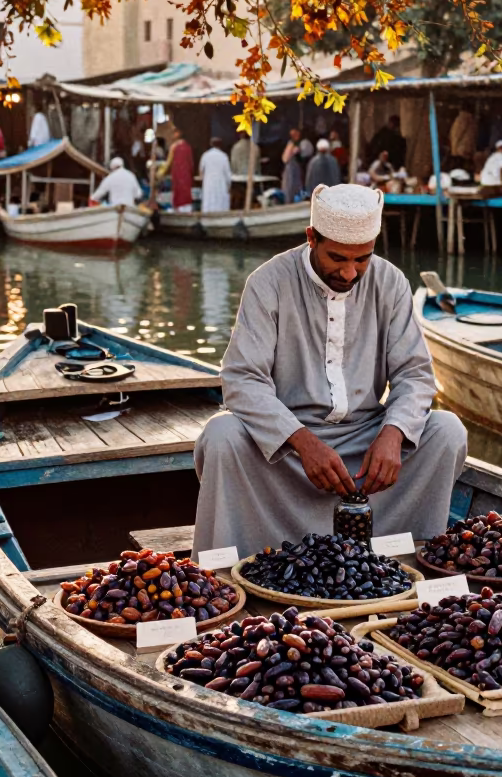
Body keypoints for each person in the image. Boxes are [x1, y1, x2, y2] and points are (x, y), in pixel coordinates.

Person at [192, 183, 468, 554]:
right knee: (221, 434)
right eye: (338, 258)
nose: (351, 272)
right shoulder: (267, 282)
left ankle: (405, 556)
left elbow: (415, 374)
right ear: (311, 237)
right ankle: (233, 570)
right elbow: (242, 379)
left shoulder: (391, 283)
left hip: (364, 446)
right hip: (286, 452)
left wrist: (393, 433)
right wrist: (303, 442)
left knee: (447, 430)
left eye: (362, 259)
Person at [164, 127, 195, 212]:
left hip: (179, 174)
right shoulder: (186, 147)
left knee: (181, 192)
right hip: (183, 175)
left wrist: (159, 174)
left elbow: (168, 163)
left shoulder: (174, 147)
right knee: (182, 192)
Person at [199, 137, 232, 213]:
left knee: (209, 200)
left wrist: (202, 181)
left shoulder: (205, 155)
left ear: (210, 144)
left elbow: (201, 171)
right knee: (220, 201)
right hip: (221, 182)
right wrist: (229, 185)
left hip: (208, 182)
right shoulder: (224, 156)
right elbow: (227, 172)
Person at [281, 128, 305, 204]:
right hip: (290, 167)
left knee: (295, 186)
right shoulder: (291, 143)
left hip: (296, 167)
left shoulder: (300, 144)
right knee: (290, 185)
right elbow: (285, 159)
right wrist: (293, 152)